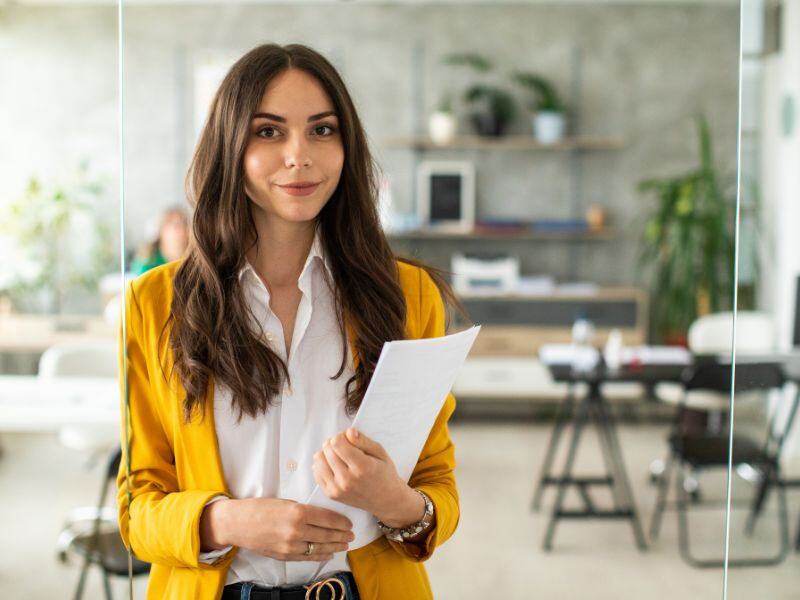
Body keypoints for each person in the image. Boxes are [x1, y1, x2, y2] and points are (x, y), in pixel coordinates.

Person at [117, 43, 463, 600]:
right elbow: (137, 510)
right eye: (269, 131)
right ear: (230, 146)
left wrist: (393, 500)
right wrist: (225, 521)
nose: (300, 155)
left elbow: (437, 488)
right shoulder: (155, 304)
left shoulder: (407, 296)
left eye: (322, 130)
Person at [129, 205, 190, 276]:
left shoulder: (194, 261)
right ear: (162, 230)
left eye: (185, 223)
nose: (183, 229)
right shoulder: (148, 264)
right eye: (176, 225)